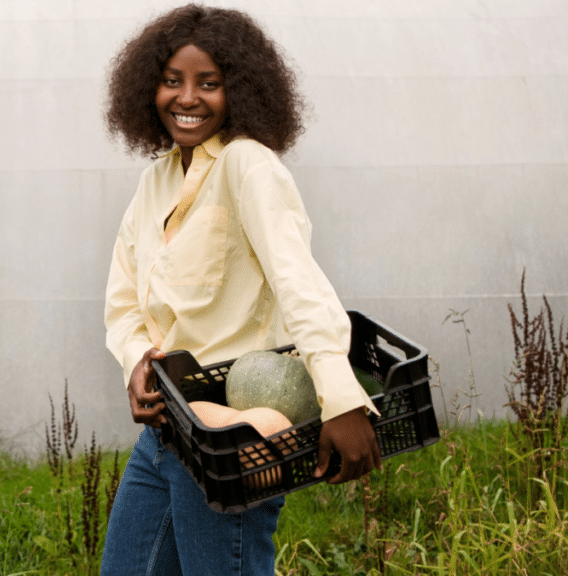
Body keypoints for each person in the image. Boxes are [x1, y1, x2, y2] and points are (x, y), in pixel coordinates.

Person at [101, 5, 382, 575]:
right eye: (172, 81)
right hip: (165, 434)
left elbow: (297, 279)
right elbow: (123, 300)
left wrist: (341, 399)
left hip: (237, 438)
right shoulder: (154, 181)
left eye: (210, 83)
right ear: (147, 88)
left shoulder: (247, 166)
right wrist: (135, 362)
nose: (187, 98)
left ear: (241, 91)